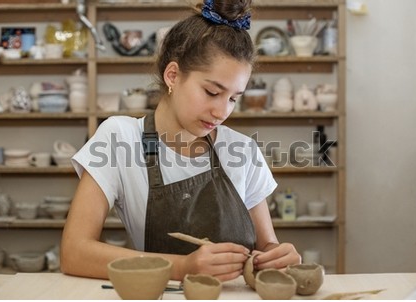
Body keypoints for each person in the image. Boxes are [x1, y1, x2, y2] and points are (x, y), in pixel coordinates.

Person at [60, 0, 301, 282]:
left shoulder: (241, 151)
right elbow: (74, 253)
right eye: (212, 92)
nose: (222, 111)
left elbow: (266, 245)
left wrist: (277, 255)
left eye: (234, 98)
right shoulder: (120, 139)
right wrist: (182, 267)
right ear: (172, 75)